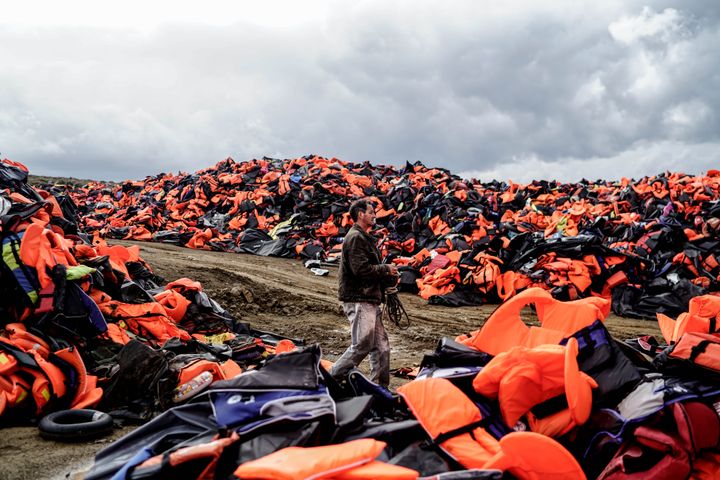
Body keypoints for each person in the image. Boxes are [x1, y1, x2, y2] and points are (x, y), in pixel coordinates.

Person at [331, 198, 398, 388]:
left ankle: (379, 388)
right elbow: (360, 270)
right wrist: (385, 269)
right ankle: (333, 377)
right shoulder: (355, 238)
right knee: (362, 344)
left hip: (369, 298)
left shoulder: (363, 237)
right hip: (359, 298)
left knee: (381, 347)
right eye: (371, 212)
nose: (374, 215)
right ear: (360, 214)